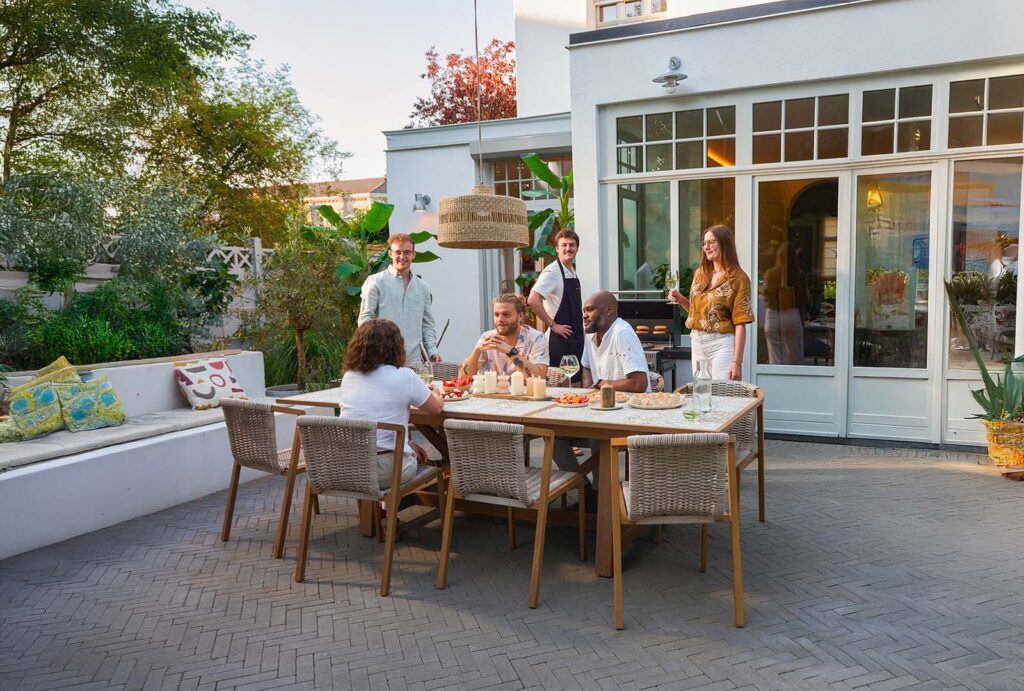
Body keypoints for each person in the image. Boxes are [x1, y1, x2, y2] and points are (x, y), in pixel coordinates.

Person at [553, 291, 650, 490]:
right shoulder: (591, 336)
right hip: (602, 411)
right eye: (583, 311)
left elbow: (639, 384)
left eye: (590, 310)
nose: (584, 315)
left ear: (609, 310)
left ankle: (601, 498)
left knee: (599, 437)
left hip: (632, 415)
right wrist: (590, 387)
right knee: (553, 435)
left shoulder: (621, 333)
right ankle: (582, 490)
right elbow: (587, 366)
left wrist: (602, 385)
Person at [338, 319, 444, 489]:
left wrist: (408, 444)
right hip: (389, 470)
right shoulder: (404, 376)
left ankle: (379, 511)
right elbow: (436, 408)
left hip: (351, 467)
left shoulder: (349, 376)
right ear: (396, 347)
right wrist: (436, 393)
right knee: (428, 462)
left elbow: (374, 417)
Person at [668, 224, 754, 381]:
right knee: (701, 394)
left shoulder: (739, 279)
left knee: (721, 395)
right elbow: (696, 313)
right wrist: (681, 300)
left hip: (721, 343)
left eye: (712, 242)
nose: (706, 247)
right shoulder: (700, 273)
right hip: (697, 342)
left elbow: (740, 323)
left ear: (725, 244)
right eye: (704, 243)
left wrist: (737, 362)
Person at [358, 233, 441, 367]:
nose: (402, 257)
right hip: (382, 358)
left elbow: (427, 323)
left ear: (413, 255)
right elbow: (365, 319)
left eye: (407, 252)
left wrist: (432, 351)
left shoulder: (422, 287)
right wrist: (373, 349)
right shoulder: (375, 282)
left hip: (413, 359)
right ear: (390, 254)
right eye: (398, 252)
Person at [528, 228, 584, 382]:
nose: (568, 248)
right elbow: (533, 299)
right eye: (564, 245)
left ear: (577, 248)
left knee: (575, 383)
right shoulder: (552, 272)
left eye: (572, 245)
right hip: (560, 340)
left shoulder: (571, 271)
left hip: (575, 337)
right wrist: (553, 325)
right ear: (557, 249)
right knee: (561, 384)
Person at [461, 294, 549, 378]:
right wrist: (476, 351)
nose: (500, 319)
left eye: (506, 314)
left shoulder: (536, 338)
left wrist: (511, 351)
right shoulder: (487, 337)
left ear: (520, 316)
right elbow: (463, 379)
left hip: (527, 393)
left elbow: (539, 377)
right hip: (495, 393)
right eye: (496, 315)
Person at [762, 242, 808, 365]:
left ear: (779, 256)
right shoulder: (800, 275)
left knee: (775, 357)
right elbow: (804, 299)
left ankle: (776, 383)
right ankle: (795, 383)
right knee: (795, 357)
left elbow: (766, 293)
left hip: (774, 313)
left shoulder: (770, 274)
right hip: (793, 314)